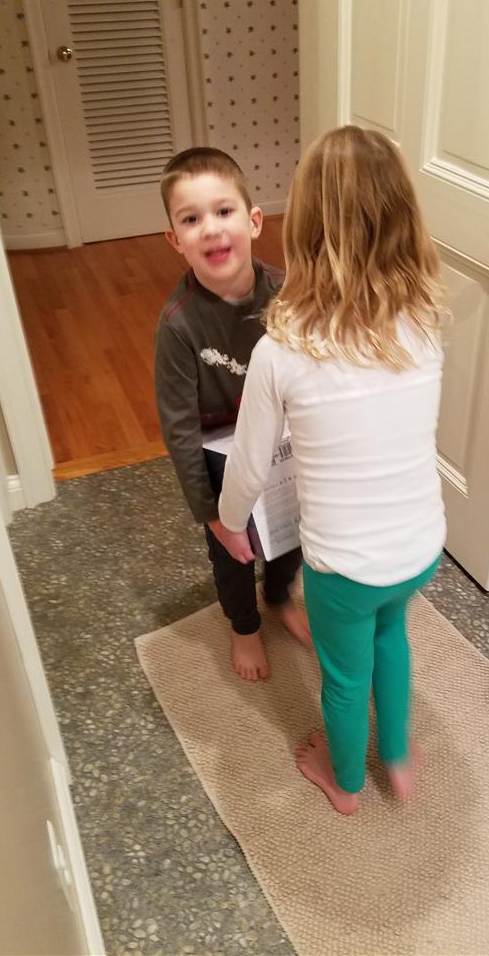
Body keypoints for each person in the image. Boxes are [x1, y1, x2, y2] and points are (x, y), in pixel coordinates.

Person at [212, 126, 447, 815]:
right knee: (390, 635)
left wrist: (230, 524)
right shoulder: (423, 325)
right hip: (420, 547)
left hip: (344, 567)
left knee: (344, 676)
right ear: (404, 221)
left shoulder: (281, 351)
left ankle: (343, 782)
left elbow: (248, 464)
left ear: (303, 229)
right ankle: (396, 757)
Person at [154, 147, 311, 683]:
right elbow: (178, 429)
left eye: (224, 211)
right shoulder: (178, 325)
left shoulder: (290, 294)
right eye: (191, 219)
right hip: (219, 451)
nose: (211, 229)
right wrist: (212, 515)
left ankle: (280, 592)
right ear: (175, 240)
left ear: (254, 221)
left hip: (284, 441)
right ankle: (243, 624)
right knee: (234, 551)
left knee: (292, 530)